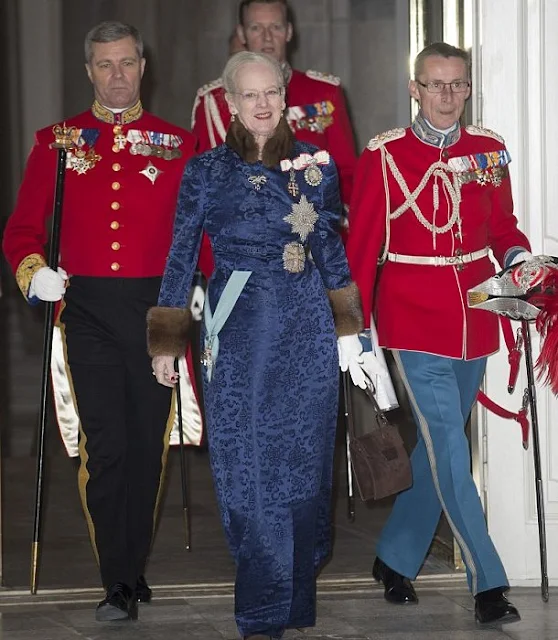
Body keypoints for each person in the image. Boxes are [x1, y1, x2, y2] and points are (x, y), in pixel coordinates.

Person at [148, 50, 382, 640]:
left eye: (271, 92)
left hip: (306, 329)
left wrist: (353, 337)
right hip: (241, 329)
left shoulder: (316, 168)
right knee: (249, 475)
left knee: (305, 471)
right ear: (229, 104)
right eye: (249, 95)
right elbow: (179, 258)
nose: (262, 104)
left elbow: (329, 252)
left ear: (284, 95)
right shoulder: (205, 172)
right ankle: (260, 614)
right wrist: (166, 344)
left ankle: (295, 599)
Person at [2, 21, 210, 622]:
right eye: (104, 65)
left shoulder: (178, 143)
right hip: (86, 309)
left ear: (143, 66)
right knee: (107, 447)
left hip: (158, 307)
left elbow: (198, 237)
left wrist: (208, 298)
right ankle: (117, 578)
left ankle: (132, 564)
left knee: (148, 447)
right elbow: (21, 230)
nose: (116, 75)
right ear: (88, 71)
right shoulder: (58, 142)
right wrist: (32, 269)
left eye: (126, 63)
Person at [346, 42, 531, 625]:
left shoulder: (489, 150)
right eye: (435, 84)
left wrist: (520, 256)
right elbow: (362, 249)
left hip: (475, 313)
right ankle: (488, 581)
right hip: (410, 315)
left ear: (468, 88)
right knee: (451, 445)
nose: (447, 96)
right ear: (414, 89)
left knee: (436, 449)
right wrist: (353, 331)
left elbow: (501, 226)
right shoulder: (385, 155)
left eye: (457, 85)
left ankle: (396, 557)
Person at [191, 0, 356, 208]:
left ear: (288, 32)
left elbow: (346, 176)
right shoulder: (214, 101)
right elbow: (201, 185)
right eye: (256, 28)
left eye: (275, 27)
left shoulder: (323, 92)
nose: (267, 38)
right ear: (242, 34)